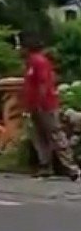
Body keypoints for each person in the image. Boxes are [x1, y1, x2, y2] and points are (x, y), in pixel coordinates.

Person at [21, 36, 80, 181]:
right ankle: (45, 165)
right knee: (40, 136)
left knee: (55, 134)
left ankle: (71, 167)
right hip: (36, 105)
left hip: (45, 104)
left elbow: (42, 84)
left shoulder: (38, 61)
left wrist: (40, 102)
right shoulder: (31, 62)